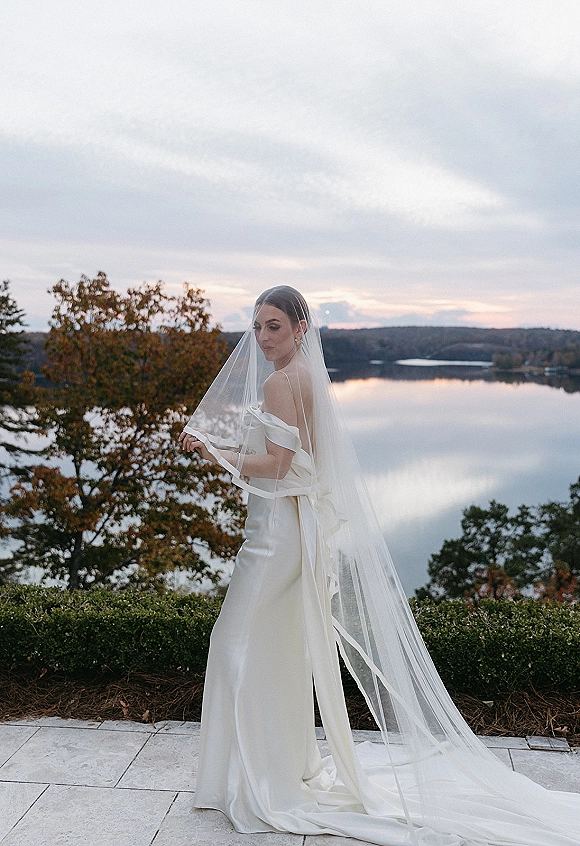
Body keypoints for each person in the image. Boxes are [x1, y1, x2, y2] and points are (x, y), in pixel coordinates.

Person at [179, 286, 580, 846]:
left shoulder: (278, 382)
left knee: (232, 646)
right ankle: (272, 769)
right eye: (257, 326)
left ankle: (261, 780)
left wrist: (214, 451)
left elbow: (278, 464)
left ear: (300, 327)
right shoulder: (308, 377)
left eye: (273, 326)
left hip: (274, 537)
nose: (263, 337)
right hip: (293, 529)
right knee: (278, 650)